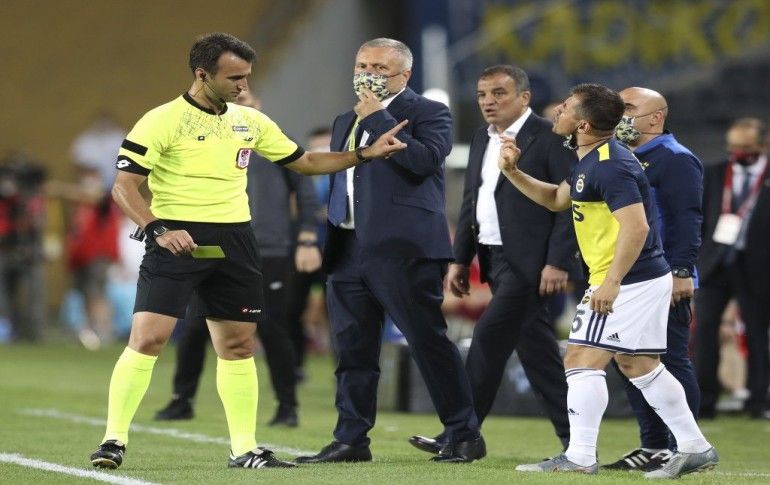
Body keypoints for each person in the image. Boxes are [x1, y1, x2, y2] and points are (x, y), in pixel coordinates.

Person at [89, 32, 407, 471]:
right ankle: (113, 440)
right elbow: (123, 187)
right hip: (176, 240)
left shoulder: (250, 121)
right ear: (202, 74)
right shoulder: (161, 120)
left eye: (246, 77)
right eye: (234, 78)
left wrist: (364, 154)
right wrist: (157, 227)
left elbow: (304, 162)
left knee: (238, 346)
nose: (244, 86)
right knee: (148, 339)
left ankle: (244, 449)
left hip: (236, 242)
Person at [500, 83, 717, 478]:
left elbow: (636, 227)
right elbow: (557, 200)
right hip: (637, 278)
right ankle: (695, 447)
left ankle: (580, 457)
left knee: (580, 359)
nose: (558, 111)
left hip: (627, 280)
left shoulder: (611, 165)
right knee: (640, 365)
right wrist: (513, 172)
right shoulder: (592, 158)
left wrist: (612, 282)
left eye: (566, 108)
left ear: (582, 125)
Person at [295, 38, 485, 465]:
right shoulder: (345, 119)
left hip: (403, 247)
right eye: (362, 65)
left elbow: (425, 162)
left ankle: (464, 434)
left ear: (405, 74)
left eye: (380, 68)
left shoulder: (429, 111)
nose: (368, 74)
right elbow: (345, 176)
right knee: (352, 349)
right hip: (347, 246)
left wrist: (379, 118)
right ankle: (351, 440)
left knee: (426, 341)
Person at [408, 65, 576, 456]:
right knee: (538, 356)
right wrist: (460, 260)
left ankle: (462, 434)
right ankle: (577, 440)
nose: (488, 102)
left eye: (499, 93)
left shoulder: (551, 137)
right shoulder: (481, 138)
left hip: (532, 263)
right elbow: (473, 201)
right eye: (483, 94)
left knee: (486, 340)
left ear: (524, 97)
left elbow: (569, 203)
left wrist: (558, 261)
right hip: (493, 257)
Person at [153, 88, 322, 427]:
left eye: (245, 102)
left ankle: (287, 406)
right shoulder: (207, 140)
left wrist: (307, 236)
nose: (237, 107)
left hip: (267, 247)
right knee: (195, 325)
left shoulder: (274, 140)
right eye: (232, 102)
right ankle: (182, 400)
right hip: (214, 245)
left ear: (258, 106)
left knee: (272, 327)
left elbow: (305, 187)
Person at [600, 87, 704, 471]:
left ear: (656, 117)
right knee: (629, 360)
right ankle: (654, 445)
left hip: (663, 277)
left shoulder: (675, 158)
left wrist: (682, 271)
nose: (620, 115)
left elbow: (687, 218)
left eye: (628, 108)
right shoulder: (619, 156)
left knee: (670, 361)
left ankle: (685, 447)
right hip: (627, 277)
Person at [694, 117, 770, 420]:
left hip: (758, 268)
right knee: (705, 331)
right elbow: (699, 217)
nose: (739, 153)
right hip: (715, 265)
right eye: (734, 147)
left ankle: (758, 401)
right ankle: (704, 402)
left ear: (764, 145)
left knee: (757, 333)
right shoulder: (713, 173)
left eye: (747, 147)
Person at [285, 126, 334, 378]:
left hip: (334, 251)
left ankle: (343, 369)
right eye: (318, 146)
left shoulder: (343, 175)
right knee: (292, 308)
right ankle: (295, 366)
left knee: (336, 311)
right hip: (300, 250)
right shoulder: (299, 174)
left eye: (327, 146)